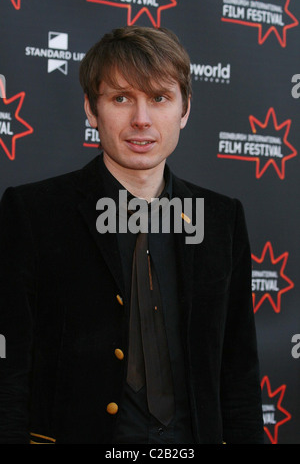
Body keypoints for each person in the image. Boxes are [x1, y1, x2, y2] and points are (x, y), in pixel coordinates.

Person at [0, 26, 264, 444]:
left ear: (185, 109)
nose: (141, 119)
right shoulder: (34, 212)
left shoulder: (220, 219)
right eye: (120, 98)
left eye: (159, 98)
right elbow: (9, 367)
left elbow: (239, 372)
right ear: (91, 109)